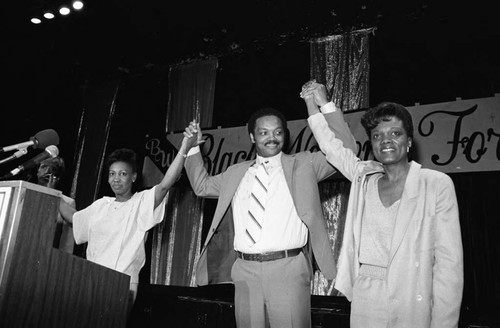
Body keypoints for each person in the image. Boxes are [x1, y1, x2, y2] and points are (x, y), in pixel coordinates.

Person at [182, 94, 357, 328]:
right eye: (264, 132)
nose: (272, 137)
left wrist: (322, 104)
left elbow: (346, 148)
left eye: (277, 132)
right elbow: (201, 186)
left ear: (285, 135)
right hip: (245, 271)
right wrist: (192, 148)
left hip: (289, 268)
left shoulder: (305, 164)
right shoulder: (236, 172)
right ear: (252, 137)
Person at [302, 82, 464, 327]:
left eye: (395, 134)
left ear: (409, 141)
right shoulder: (364, 178)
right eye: (377, 136)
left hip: (413, 292)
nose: (386, 141)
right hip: (367, 294)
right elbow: (332, 147)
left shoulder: (436, 184)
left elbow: (449, 266)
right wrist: (316, 105)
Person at [58, 135, 192, 310]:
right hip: (91, 281)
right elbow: (74, 218)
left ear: (134, 177)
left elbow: (166, 184)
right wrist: (51, 192)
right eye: (112, 174)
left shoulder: (141, 202)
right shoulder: (101, 205)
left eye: (123, 174)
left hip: (122, 284)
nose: (116, 179)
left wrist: (184, 149)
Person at [36, 156, 76, 254]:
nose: (47, 171)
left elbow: (67, 241)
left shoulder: (67, 202)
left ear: (58, 177)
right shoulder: (26, 193)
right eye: (44, 167)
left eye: (52, 169)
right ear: (37, 171)